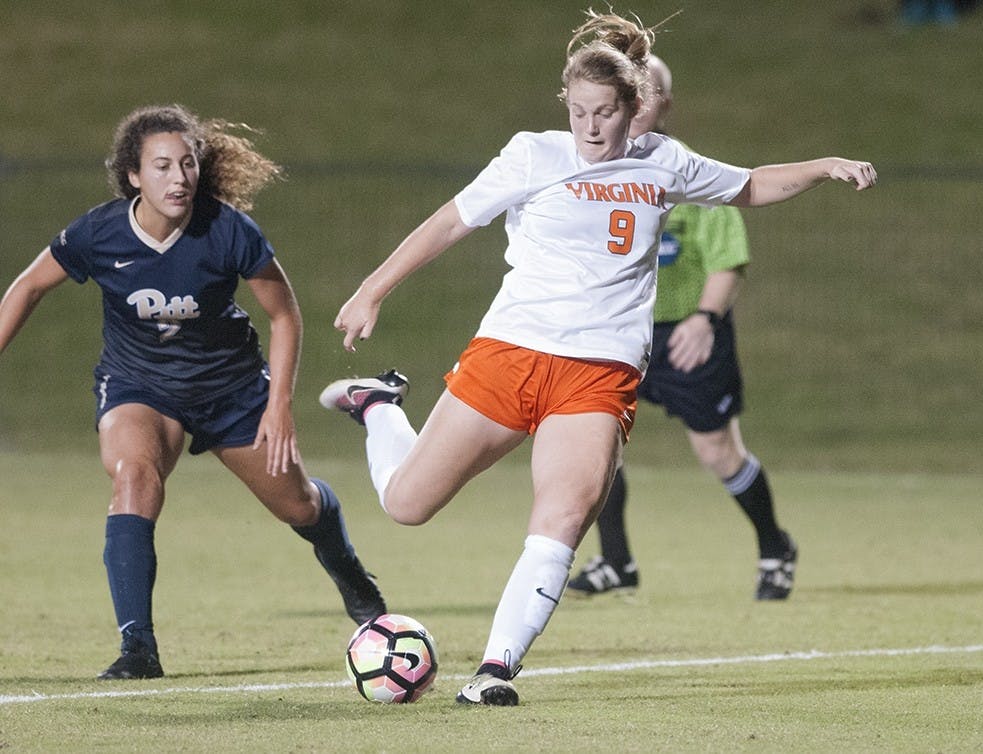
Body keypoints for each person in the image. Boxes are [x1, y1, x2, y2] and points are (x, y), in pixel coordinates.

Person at [321, 10, 876, 706]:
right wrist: (374, 289)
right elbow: (450, 223)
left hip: (598, 372)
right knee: (406, 504)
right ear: (566, 104)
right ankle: (378, 407)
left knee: (563, 514)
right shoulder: (532, 154)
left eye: (606, 112)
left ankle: (495, 670)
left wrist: (825, 165)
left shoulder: (662, 161)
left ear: (633, 109)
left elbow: (752, 184)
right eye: (579, 111)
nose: (590, 127)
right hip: (510, 353)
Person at [0, 104, 386, 680]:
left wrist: (278, 406)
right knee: (134, 475)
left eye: (187, 164)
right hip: (139, 384)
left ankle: (353, 578)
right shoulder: (98, 233)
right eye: (162, 166)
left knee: (297, 504)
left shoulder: (226, 229)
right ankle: (139, 649)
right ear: (133, 175)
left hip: (230, 389)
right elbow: (28, 286)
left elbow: (284, 316)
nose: (178, 177)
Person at [566, 55, 796, 602]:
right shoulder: (589, 167)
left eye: (650, 93)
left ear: (663, 104)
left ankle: (774, 547)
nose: (638, 103)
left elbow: (728, 259)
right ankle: (616, 562)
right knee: (595, 447)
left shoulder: (686, 169)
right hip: (619, 332)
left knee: (717, 452)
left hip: (685, 335)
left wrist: (704, 319)